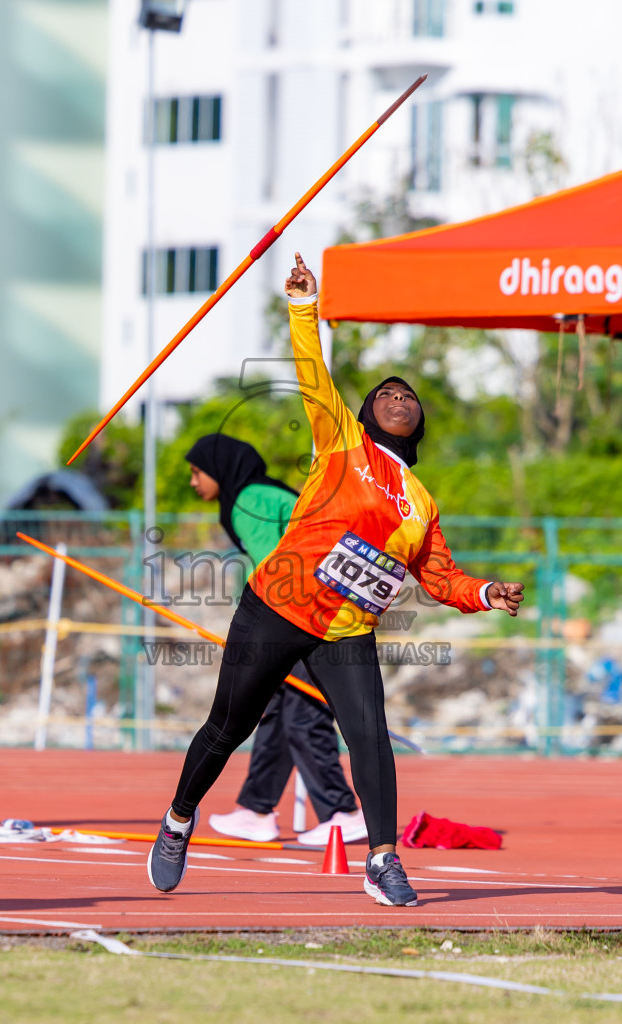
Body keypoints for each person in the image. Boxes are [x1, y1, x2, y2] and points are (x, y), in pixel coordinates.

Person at [147, 253, 524, 907]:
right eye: (386, 392)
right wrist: (302, 307)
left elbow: (438, 574)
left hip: (348, 630)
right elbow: (313, 377)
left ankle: (381, 859)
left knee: (369, 734)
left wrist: (485, 592)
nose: (398, 396)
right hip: (276, 608)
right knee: (227, 726)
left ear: (419, 422)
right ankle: (179, 817)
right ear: (366, 412)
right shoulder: (341, 440)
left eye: (408, 394)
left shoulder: (419, 500)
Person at [184, 433, 367, 845]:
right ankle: (256, 808)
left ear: (219, 467)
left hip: (304, 614)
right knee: (277, 712)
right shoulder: (259, 496)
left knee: (302, 712)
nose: (194, 482)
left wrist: (254, 633)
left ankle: (342, 810)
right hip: (311, 608)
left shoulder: (250, 499)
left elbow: (276, 571)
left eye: (197, 472)